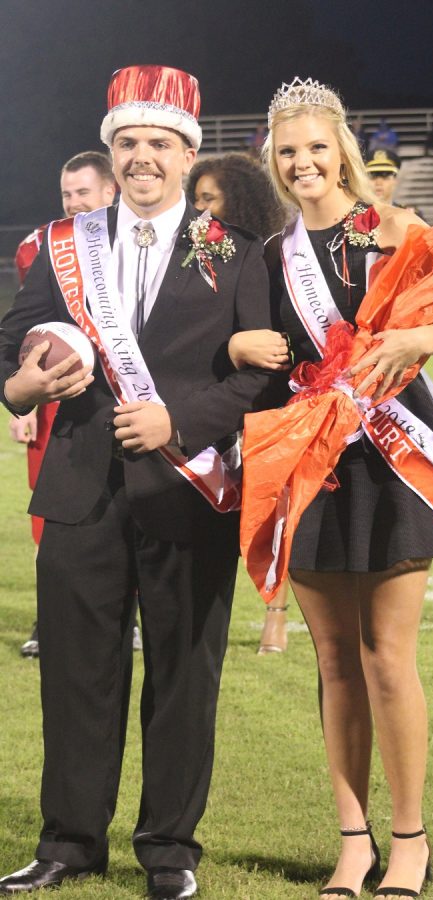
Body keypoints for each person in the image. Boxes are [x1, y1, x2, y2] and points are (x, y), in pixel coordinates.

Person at [0, 65, 280, 899]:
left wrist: (179, 421)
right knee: (77, 674)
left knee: (183, 676)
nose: (141, 157)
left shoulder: (236, 251)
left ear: (189, 155)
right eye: (127, 142)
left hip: (188, 487)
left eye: (159, 143)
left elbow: (263, 374)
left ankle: (169, 849)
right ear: (110, 149)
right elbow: (14, 337)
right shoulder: (63, 242)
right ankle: (69, 843)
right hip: (81, 487)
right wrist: (18, 386)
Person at [228, 76, 433, 900]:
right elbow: (242, 349)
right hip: (309, 456)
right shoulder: (270, 255)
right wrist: (243, 343)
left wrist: (416, 333)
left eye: (316, 147)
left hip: (392, 455)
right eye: (288, 152)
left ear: (341, 147)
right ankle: (354, 840)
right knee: (335, 662)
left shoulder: (397, 229)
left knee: (388, 660)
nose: (304, 162)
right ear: (272, 163)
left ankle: (409, 840)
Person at [10, 151, 118, 658]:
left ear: (109, 192)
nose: (74, 204)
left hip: (125, 398)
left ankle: (128, 611)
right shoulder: (43, 246)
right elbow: (28, 335)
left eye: (84, 193)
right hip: (58, 396)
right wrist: (25, 403)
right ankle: (48, 614)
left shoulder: (140, 241)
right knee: (50, 504)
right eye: (67, 195)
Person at [186, 152, 291, 655]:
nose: (198, 209)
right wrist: (229, 348)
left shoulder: (272, 252)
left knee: (277, 502)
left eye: (209, 198)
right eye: (195, 199)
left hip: (271, 395)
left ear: (241, 199)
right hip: (217, 399)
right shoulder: (194, 254)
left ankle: (277, 611)